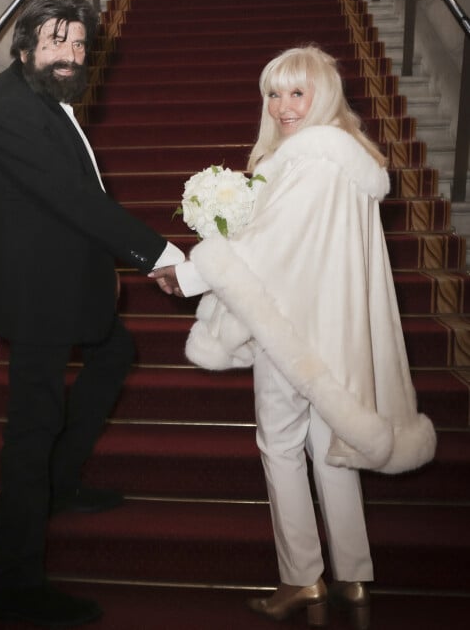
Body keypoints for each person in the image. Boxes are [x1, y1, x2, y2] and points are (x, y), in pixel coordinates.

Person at [151, 45, 436, 628]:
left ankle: (302, 578)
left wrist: (189, 275)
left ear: (323, 95)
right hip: (335, 327)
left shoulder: (311, 158)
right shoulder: (348, 159)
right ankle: (353, 580)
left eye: (296, 92)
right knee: (332, 451)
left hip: (294, 331)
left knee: (279, 444)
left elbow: (269, 248)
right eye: (274, 93)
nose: (283, 106)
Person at [0, 0, 185, 628]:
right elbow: (75, 200)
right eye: (56, 39)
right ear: (25, 44)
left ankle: (62, 483)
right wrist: (159, 255)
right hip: (35, 295)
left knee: (115, 352)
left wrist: (103, 270)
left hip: (63, 281)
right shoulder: (9, 107)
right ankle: (14, 586)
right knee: (30, 428)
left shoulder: (49, 96)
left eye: (79, 43)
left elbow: (70, 199)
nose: (69, 53)